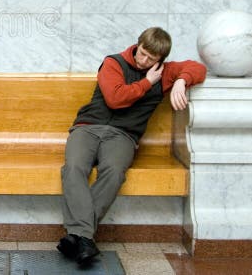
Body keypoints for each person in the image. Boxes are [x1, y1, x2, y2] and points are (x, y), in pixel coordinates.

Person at [57, 27, 207, 265]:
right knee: (74, 168)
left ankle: (76, 236)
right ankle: (84, 237)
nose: (144, 61)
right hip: (87, 127)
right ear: (138, 45)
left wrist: (181, 81)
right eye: (143, 53)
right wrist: (147, 82)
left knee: (114, 173)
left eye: (152, 59)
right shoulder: (113, 63)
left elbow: (198, 68)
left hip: (123, 136)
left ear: (161, 60)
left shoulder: (165, 73)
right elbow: (115, 99)